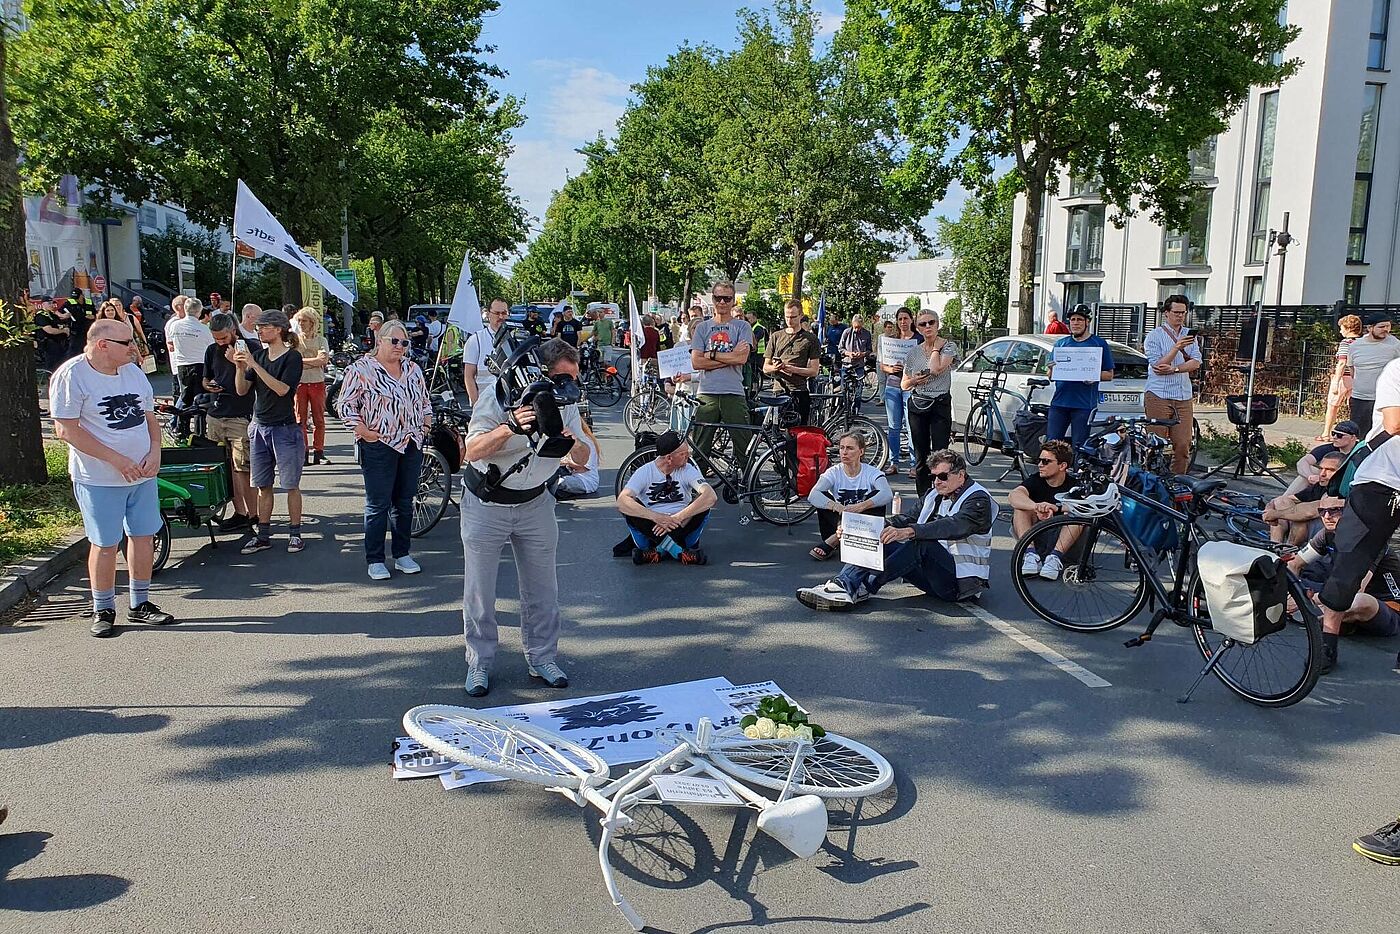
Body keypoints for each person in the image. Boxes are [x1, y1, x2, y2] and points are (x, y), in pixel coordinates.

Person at [460, 337, 587, 697]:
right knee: (481, 592)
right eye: (563, 378)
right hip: (487, 503)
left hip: (536, 504)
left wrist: (571, 442)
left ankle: (542, 658)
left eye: (574, 378)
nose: (570, 386)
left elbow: (584, 458)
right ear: (539, 374)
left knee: (543, 589)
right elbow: (471, 450)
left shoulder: (567, 401)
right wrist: (511, 427)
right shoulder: (499, 396)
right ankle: (479, 663)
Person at [50, 318, 176, 637]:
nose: (134, 347)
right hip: (99, 478)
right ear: (102, 345)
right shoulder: (72, 375)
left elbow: (149, 417)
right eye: (127, 342)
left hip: (142, 474)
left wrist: (156, 451)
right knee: (106, 543)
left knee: (144, 535)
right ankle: (103, 608)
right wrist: (117, 460)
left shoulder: (133, 372)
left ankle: (140, 603)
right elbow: (65, 429)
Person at [797, 449, 997, 609]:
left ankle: (863, 587)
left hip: (959, 584)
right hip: (931, 575)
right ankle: (842, 585)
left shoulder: (978, 499)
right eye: (933, 476)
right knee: (879, 535)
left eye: (943, 476)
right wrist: (868, 527)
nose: (937, 482)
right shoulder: (934, 493)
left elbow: (954, 525)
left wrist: (910, 531)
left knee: (921, 543)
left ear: (961, 475)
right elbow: (907, 518)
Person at [339, 320, 432, 581]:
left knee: (404, 502)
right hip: (378, 444)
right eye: (394, 341)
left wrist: (425, 425)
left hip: (411, 442)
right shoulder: (361, 369)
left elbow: (424, 401)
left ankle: (402, 554)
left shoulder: (413, 369)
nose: (400, 347)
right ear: (379, 340)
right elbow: (345, 406)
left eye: (404, 342)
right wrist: (364, 432)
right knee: (378, 504)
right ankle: (375, 559)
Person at [1289, 493, 1400, 675]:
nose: (1326, 517)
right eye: (1322, 511)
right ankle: (1328, 619)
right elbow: (1294, 564)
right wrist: (1292, 590)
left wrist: (1305, 599)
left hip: (1386, 607)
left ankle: (1313, 617)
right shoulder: (1326, 535)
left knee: (1357, 600)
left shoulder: (1369, 540)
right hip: (1341, 597)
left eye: (1334, 511)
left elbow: (1357, 588)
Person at [234, 309, 305, 554]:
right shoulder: (258, 356)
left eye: (264, 327)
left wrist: (254, 364)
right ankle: (263, 534)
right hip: (259, 425)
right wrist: (240, 367)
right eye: (258, 328)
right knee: (263, 485)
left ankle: (295, 534)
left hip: (284, 428)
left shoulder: (292, 358)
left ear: (278, 329)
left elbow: (283, 389)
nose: (260, 331)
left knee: (290, 484)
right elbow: (242, 390)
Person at [616, 429, 717, 564]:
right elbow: (622, 501)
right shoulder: (645, 471)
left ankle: (657, 552)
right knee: (630, 505)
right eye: (684, 454)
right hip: (652, 529)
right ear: (669, 458)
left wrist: (677, 518)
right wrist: (657, 518)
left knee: (703, 501)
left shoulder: (687, 469)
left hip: (682, 525)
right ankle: (678, 552)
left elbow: (711, 496)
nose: (688, 457)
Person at [689, 282, 755, 467]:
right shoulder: (702, 328)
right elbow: (696, 362)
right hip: (707, 393)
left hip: (733, 392)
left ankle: (751, 489)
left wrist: (711, 355)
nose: (722, 302)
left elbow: (741, 359)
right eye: (718, 298)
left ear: (733, 301)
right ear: (713, 299)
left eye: (727, 298)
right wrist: (730, 356)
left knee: (744, 447)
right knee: (701, 448)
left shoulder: (742, 326)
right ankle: (699, 489)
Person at [201, 314, 257, 531]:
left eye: (223, 338)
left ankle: (254, 514)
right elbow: (205, 377)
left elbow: (252, 379)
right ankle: (240, 511)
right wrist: (209, 385)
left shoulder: (249, 346)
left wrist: (237, 362)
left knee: (242, 466)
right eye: (216, 339)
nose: (220, 343)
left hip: (240, 414)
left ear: (233, 330)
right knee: (224, 467)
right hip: (216, 413)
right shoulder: (211, 351)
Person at [807, 432, 893, 561]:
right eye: (842, 448)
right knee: (822, 495)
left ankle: (834, 540)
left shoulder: (872, 472)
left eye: (850, 448)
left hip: (863, 524)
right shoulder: (833, 472)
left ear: (861, 451)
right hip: (838, 520)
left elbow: (887, 494)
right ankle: (839, 535)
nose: (844, 452)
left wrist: (860, 506)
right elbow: (813, 495)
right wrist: (837, 507)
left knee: (876, 495)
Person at [902, 311, 961, 497]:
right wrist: (914, 381)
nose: (927, 327)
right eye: (923, 324)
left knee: (940, 455)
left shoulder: (948, 346)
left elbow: (936, 369)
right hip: (918, 404)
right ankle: (923, 499)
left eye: (931, 323)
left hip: (940, 404)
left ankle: (941, 496)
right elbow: (904, 384)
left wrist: (935, 348)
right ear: (917, 328)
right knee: (921, 456)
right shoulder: (913, 352)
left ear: (937, 324)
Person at [1142, 294, 1202, 476]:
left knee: (1183, 445)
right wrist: (1176, 347)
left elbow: (1196, 362)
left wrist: (1175, 369)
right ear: (1166, 313)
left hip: (1183, 395)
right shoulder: (1154, 336)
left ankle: (1178, 482)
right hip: (1159, 395)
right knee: (1155, 443)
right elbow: (1158, 366)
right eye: (1176, 312)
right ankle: (1152, 481)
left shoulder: (1189, 335)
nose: (1180, 316)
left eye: (1183, 313)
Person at [1009, 440, 1084, 580]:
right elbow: (1014, 495)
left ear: (1062, 466)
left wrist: (1057, 508)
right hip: (1038, 538)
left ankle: (1055, 558)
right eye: (1039, 460)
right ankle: (1031, 555)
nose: (1040, 465)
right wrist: (1036, 506)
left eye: (1046, 461)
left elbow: (1086, 506)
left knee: (1077, 513)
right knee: (1020, 508)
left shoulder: (1075, 485)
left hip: (1067, 544)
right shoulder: (1036, 480)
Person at [1046, 305, 1115, 452]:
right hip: (1060, 402)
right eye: (1072, 320)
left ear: (1087, 322)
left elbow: (1109, 374)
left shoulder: (1099, 344)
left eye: (1079, 320)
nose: (1075, 323)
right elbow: (1051, 375)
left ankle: (1077, 473)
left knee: (1080, 447)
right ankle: (1052, 474)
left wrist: (1093, 376)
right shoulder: (1061, 344)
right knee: (1052, 445)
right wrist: (1051, 369)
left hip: (1083, 405)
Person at [1263, 451, 1344, 545]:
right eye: (1321, 468)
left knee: (1300, 519)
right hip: (1318, 525)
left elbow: (1309, 512)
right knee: (1282, 502)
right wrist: (1269, 508)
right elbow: (1288, 498)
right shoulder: (1323, 484)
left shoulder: (1341, 489)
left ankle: (1288, 550)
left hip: (1333, 531)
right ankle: (1274, 546)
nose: (1322, 474)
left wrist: (1276, 514)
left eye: (1330, 470)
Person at [763, 299, 821, 424]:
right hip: (779, 390)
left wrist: (793, 369)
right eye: (786, 316)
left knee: (799, 434)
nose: (789, 320)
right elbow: (765, 367)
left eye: (793, 317)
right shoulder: (776, 336)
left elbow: (814, 371)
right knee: (777, 432)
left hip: (799, 391)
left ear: (801, 315)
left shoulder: (810, 339)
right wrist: (776, 368)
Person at [1344, 313, 1400, 437]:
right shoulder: (1355, 346)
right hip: (1360, 399)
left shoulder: (1395, 345)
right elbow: (1352, 369)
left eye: (1388, 326)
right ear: (1370, 328)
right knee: (1357, 436)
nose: (1386, 330)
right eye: (1382, 327)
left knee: (1382, 437)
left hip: (1383, 401)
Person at [164, 297, 213, 437]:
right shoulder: (203, 329)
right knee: (200, 400)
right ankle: (199, 432)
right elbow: (210, 347)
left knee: (185, 397)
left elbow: (172, 343)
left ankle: (181, 429)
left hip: (181, 365)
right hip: (199, 364)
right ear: (199, 311)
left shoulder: (175, 326)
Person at [880, 309, 917, 477]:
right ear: (897, 321)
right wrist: (890, 368)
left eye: (906, 318)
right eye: (900, 318)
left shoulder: (918, 340)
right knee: (893, 427)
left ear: (911, 320)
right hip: (893, 385)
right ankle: (894, 462)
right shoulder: (891, 341)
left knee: (911, 427)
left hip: (910, 387)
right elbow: (882, 365)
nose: (903, 321)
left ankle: (914, 464)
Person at [292, 307, 331, 466]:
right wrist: (312, 362)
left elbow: (322, 360)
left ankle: (319, 452)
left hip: (317, 383)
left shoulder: (321, 340)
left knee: (319, 419)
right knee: (300, 419)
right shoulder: (295, 340)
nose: (301, 324)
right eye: (299, 321)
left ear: (312, 322)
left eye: (304, 321)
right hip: (300, 383)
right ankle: (303, 452)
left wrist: (302, 362)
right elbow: (293, 362)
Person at [1320, 315, 1363, 441]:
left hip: (1344, 378)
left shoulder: (1346, 343)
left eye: (1342, 328)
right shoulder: (1362, 343)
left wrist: (1335, 382)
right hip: (1358, 379)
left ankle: (1326, 433)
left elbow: (1342, 362)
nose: (1340, 331)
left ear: (1348, 328)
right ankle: (1353, 435)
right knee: (1354, 408)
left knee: (1333, 405)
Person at [1286, 421, 1360, 495]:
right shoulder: (1328, 448)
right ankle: (1284, 499)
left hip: (1351, 482)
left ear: (1353, 438)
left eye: (1339, 435)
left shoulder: (1361, 450)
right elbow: (1302, 462)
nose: (1334, 437)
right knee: (1312, 470)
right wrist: (1310, 476)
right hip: (1329, 482)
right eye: (1333, 434)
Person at [463, 298, 510, 405]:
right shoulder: (476, 340)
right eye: (497, 313)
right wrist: (476, 405)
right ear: (489, 314)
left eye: (504, 313)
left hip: (510, 404)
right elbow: (468, 376)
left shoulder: (514, 339)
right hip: (485, 405)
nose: (501, 317)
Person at [550, 416, 601, 499]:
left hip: (584, 480)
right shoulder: (570, 440)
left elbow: (583, 467)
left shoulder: (587, 442)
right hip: (571, 475)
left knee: (560, 482)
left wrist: (566, 462)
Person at [34, 297, 73, 371]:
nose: (51, 305)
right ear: (43, 304)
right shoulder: (41, 316)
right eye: (49, 303)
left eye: (52, 303)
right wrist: (63, 331)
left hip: (60, 344)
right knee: (52, 367)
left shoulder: (53, 315)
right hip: (49, 344)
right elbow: (49, 330)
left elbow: (60, 324)